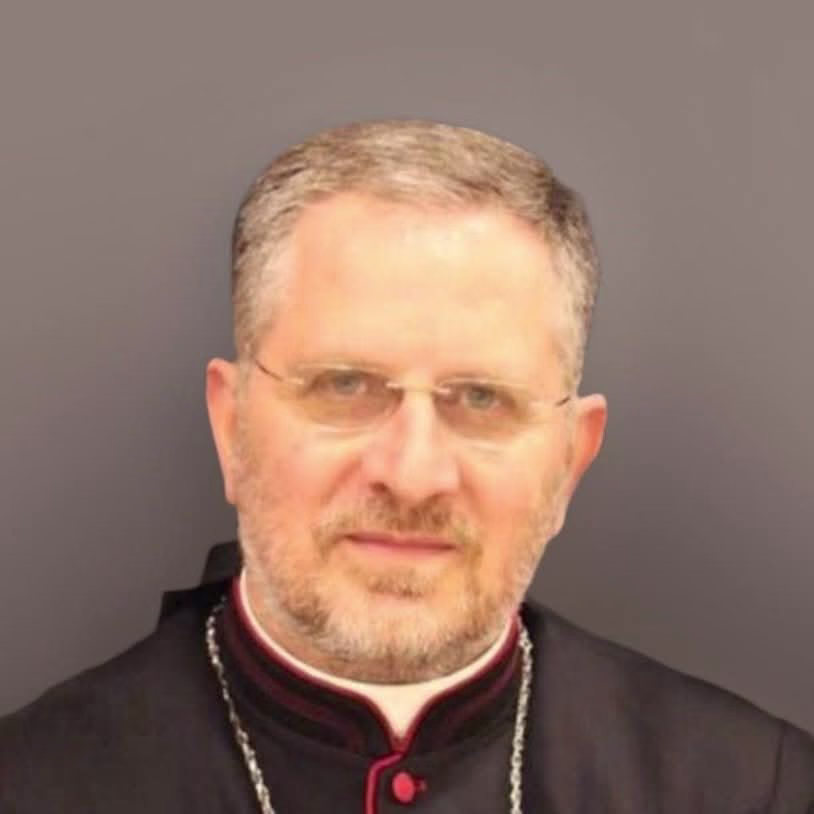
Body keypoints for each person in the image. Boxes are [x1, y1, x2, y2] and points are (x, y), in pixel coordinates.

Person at [1, 119, 812, 813]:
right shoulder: (32, 784)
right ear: (232, 427)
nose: (413, 474)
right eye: (345, 386)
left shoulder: (754, 788)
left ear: (570, 460)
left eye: (482, 399)